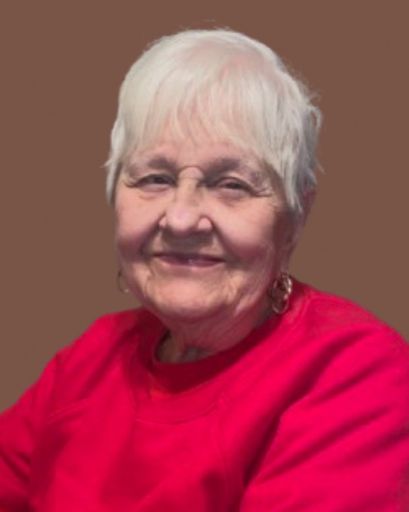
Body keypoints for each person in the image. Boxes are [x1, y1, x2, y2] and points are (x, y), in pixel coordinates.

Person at [1, 28, 408, 511]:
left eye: (231, 184)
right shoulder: (92, 357)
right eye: (155, 178)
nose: (180, 219)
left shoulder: (355, 374)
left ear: (295, 217)